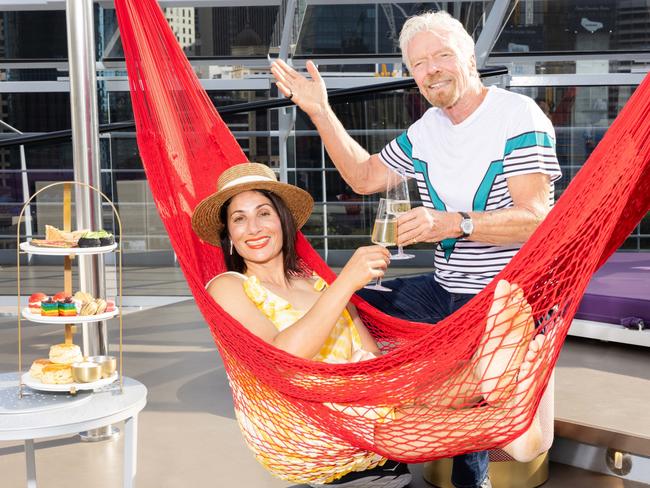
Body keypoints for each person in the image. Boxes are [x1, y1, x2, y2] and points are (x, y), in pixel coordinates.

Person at [271, 10, 562, 488]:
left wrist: (451, 223)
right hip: (445, 287)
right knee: (348, 303)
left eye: (442, 56)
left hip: (503, 293)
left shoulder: (516, 115)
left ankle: (466, 466)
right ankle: (382, 442)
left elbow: (536, 222)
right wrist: (319, 110)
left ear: (469, 56)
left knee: (469, 374)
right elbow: (366, 178)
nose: (431, 70)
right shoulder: (428, 127)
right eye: (419, 64)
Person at [191, 163, 550, 488]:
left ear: (282, 220)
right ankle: (509, 420)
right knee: (391, 418)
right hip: (311, 423)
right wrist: (345, 283)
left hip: (363, 402)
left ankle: (499, 389)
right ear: (229, 234)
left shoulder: (315, 283)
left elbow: (373, 359)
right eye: (239, 219)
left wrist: (416, 375)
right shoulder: (228, 287)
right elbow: (281, 360)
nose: (253, 228)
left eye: (263, 213)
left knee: (450, 377)